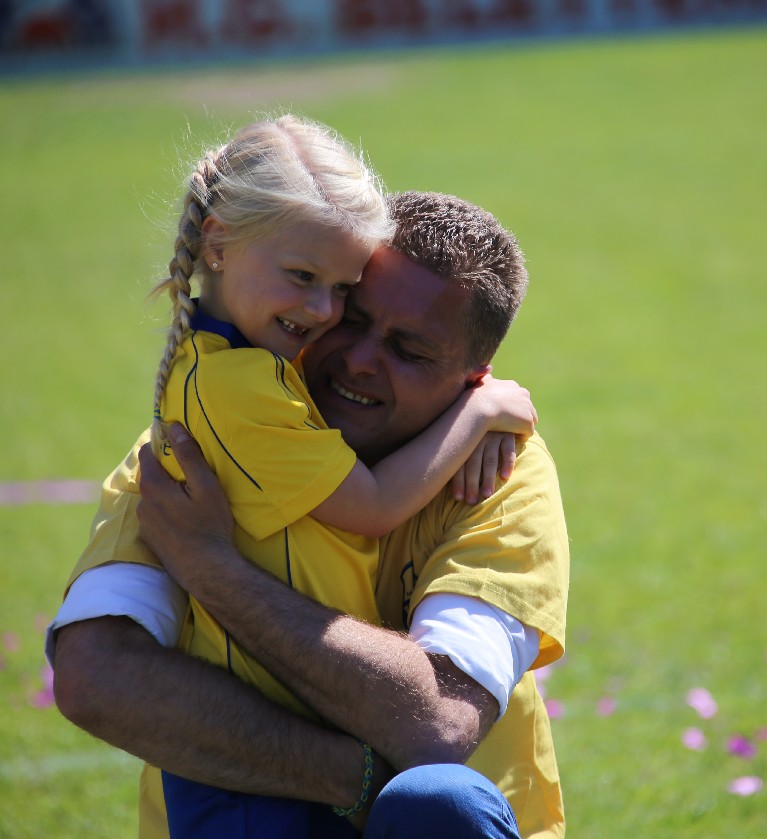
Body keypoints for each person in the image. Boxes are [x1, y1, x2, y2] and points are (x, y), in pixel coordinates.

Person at [60, 111, 538, 836]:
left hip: (410, 812)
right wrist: (479, 412)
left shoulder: (502, 465)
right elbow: (95, 674)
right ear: (218, 244)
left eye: (340, 289)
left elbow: (436, 723)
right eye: (352, 314)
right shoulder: (191, 443)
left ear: (473, 373)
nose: (329, 322)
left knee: (438, 803)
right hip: (243, 796)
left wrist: (212, 568)